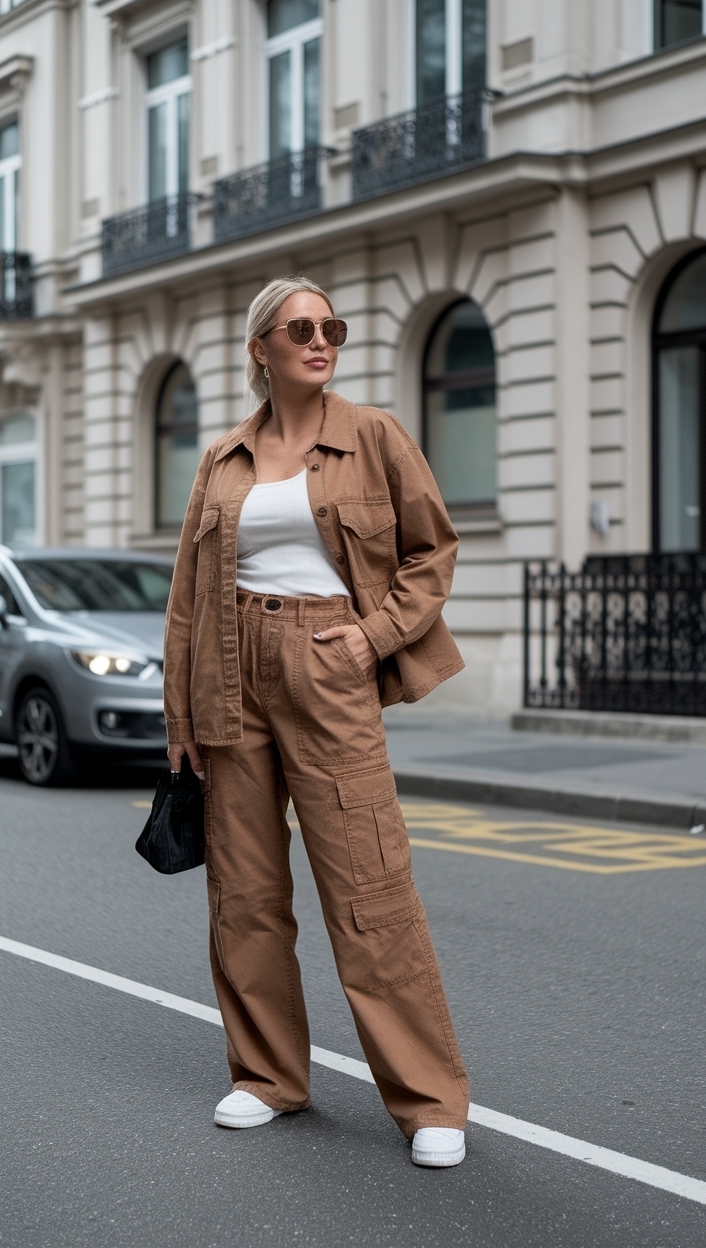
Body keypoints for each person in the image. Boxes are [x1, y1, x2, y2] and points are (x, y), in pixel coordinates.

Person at [164, 275, 470, 1168]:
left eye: (329, 327)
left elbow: (432, 552)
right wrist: (180, 712)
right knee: (245, 893)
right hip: (228, 673)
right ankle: (268, 1076)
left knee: (370, 886)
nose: (319, 341)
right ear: (260, 348)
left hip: (327, 663)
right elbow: (187, 597)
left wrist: (372, 636)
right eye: (299, 329)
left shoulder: (373, 436)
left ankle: (429, 1099)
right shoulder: (223, 458)